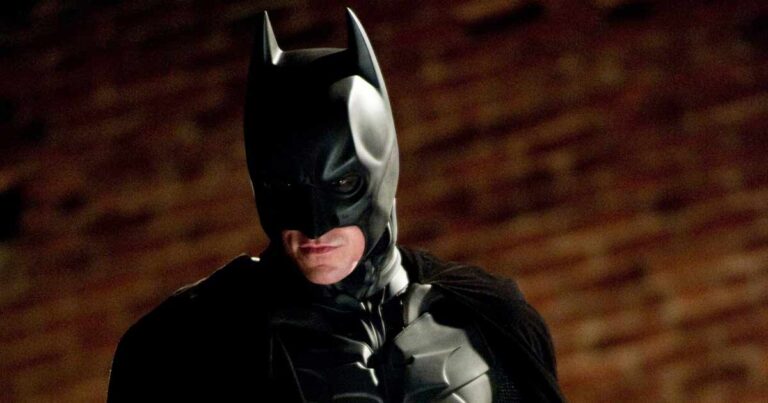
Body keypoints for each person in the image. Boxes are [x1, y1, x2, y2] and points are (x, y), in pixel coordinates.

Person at [107, 9, 565, 402]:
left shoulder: (490, 318)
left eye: (343, 183)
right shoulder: (186, 344)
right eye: (286, 187)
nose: (315, 223)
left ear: (381, 171)